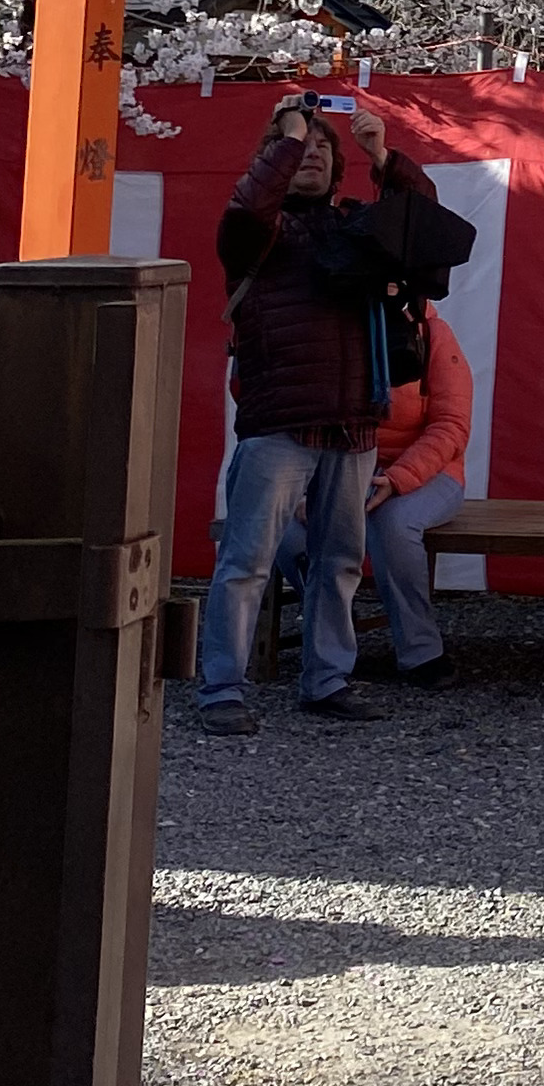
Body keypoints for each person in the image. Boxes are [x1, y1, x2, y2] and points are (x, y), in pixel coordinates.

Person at [195, 92, 439, 738]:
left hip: (355, 419)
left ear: (338, 167)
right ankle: (221, 687)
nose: (311, 156)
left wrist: (383, 156)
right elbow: (251, 205)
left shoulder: (357, 227)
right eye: (299, 149)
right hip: (280, 421)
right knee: (248, 559)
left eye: (321, 149)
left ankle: (327, 680)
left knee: (339, 563)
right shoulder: (255, 234)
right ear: (275, 157)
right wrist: (289, 133)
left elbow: (423, 225)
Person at [364, 305, 473, 686]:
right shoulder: (335, 326)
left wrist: (397, 478)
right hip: (347, 467)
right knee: (293, 533)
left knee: (394, 522)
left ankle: (421, 651)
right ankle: (334, 645)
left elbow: (452, 425)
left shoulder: (433, 333)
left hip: (429, 472)